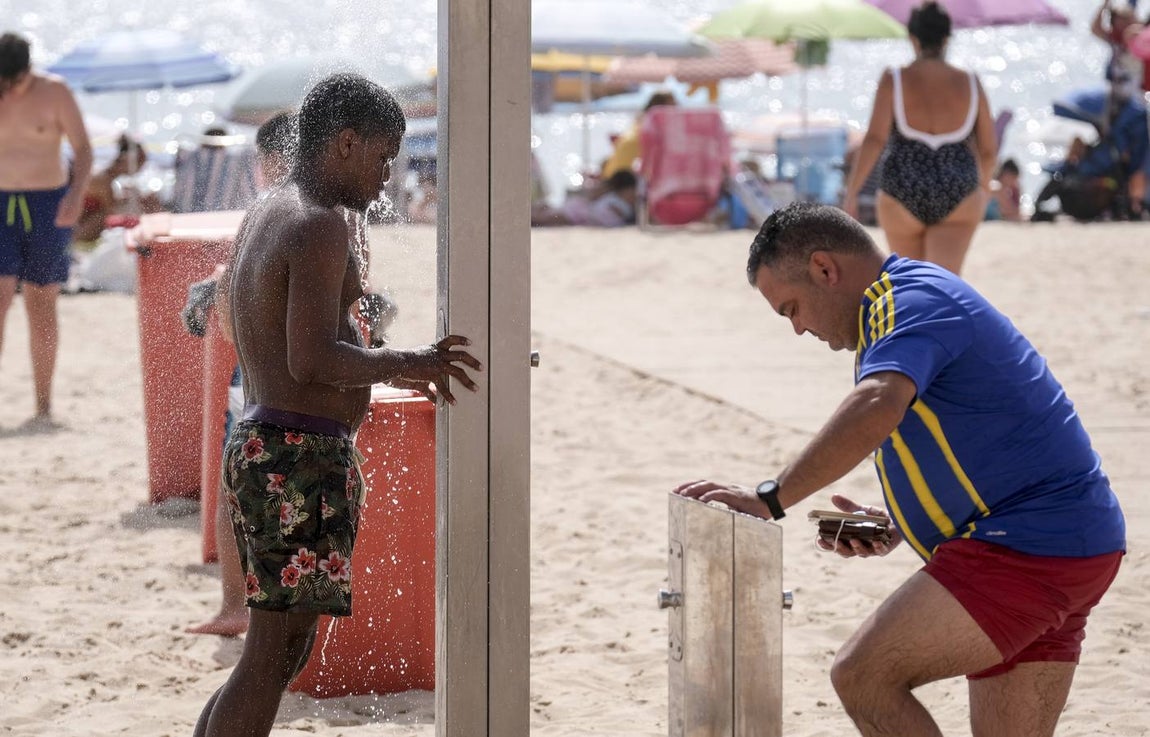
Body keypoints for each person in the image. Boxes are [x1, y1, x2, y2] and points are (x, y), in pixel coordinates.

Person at [675, 203, 1126, 736]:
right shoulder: (908, 301)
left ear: (824, 269)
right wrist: (899, 521)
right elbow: (982, 438)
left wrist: (768, 499)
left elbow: (877, 403)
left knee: (863, 676)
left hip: (1027, 544)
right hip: (1075, 542)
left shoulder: (905, 299)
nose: (798, 328)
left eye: (791, 308)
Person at [191, 72, 480, 737]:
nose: (388, 175)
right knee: (270, 657)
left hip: (271, 447)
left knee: (275, 654)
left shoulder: (275, 206)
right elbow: (312, 359)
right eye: (383, 156)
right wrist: (413, 361)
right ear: (346, 143)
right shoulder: (319, 224)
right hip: (297, 459)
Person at [184, 111, 299, 637]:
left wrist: (211, 287)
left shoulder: (274, 205)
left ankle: (235, 606)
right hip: (300, 375)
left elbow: (244, 274)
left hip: (260, 375)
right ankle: (253, 606)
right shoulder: (332, 210)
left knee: (239, 490)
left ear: (269, 161)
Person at [842, 2, 997, 276]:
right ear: (947, 38)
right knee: (944, 286)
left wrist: (853, 191)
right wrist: (981, 191)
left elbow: (875, 140)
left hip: (902, 190)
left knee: (911, 284)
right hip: (958, 190)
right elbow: (987, 150)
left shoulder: (895, 79)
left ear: (913, 38)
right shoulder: (970, 82)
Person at [0, 31, 92, 426]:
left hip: (47, 204)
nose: (11, 92)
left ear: (28, 70)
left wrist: (75, 196)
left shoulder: (54, 92)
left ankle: (42, 404)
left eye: (15, 83)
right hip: (1, 202)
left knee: (41, 303)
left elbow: (83, 149)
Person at [599, 90, 675, 180]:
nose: (676, 110)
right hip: (625, 176)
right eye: (673, 105)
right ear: (662, 106)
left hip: (615, 170)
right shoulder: (655, 124)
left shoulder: (642, 120)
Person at [531, 169, 638, 227]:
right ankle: (528, 216)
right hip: (582, 211)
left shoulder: (615, 198)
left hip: (582, 211)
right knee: (550, 216)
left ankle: (529, 215)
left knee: (550, 215)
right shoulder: (612, 195)